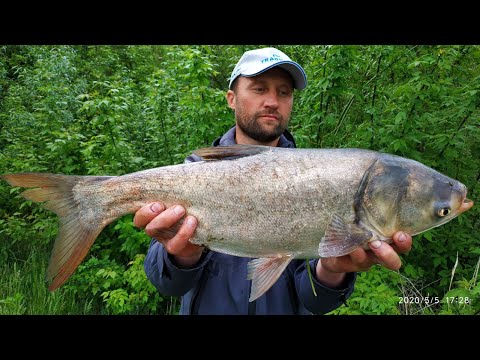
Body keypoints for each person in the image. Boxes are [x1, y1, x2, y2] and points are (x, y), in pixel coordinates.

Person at [135, 47, 413, 315]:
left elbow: (315, 303)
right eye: (259, 89)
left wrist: (330, 272)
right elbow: (167, 285)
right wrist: (183, 256)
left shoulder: (319, 182)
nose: (272, 101)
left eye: (284, 92)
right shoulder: (193, 174)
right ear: (231, 98)